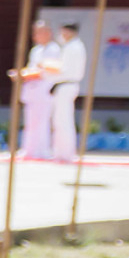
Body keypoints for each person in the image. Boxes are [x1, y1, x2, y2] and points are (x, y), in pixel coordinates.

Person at [17, 19, 59, 159]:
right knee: (30, 121)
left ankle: (43, 150)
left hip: (45, 89)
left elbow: (45, 70)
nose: (36, 35)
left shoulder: (54, 49)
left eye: (40, 32)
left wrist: (24, 74)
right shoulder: (36, 50)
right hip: (32, 89)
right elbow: (31, 68)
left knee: (42, 121)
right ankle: (29, 149)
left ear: (48, 33)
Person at [52, 23, 88, 162]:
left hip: (67, 83)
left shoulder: (73, 47)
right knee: (61, 120)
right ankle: (61, 152)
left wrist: (48, 68)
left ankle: (65, 153)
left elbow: (64, 69)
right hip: (64, 85)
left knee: (63, 120)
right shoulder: (71, 46)